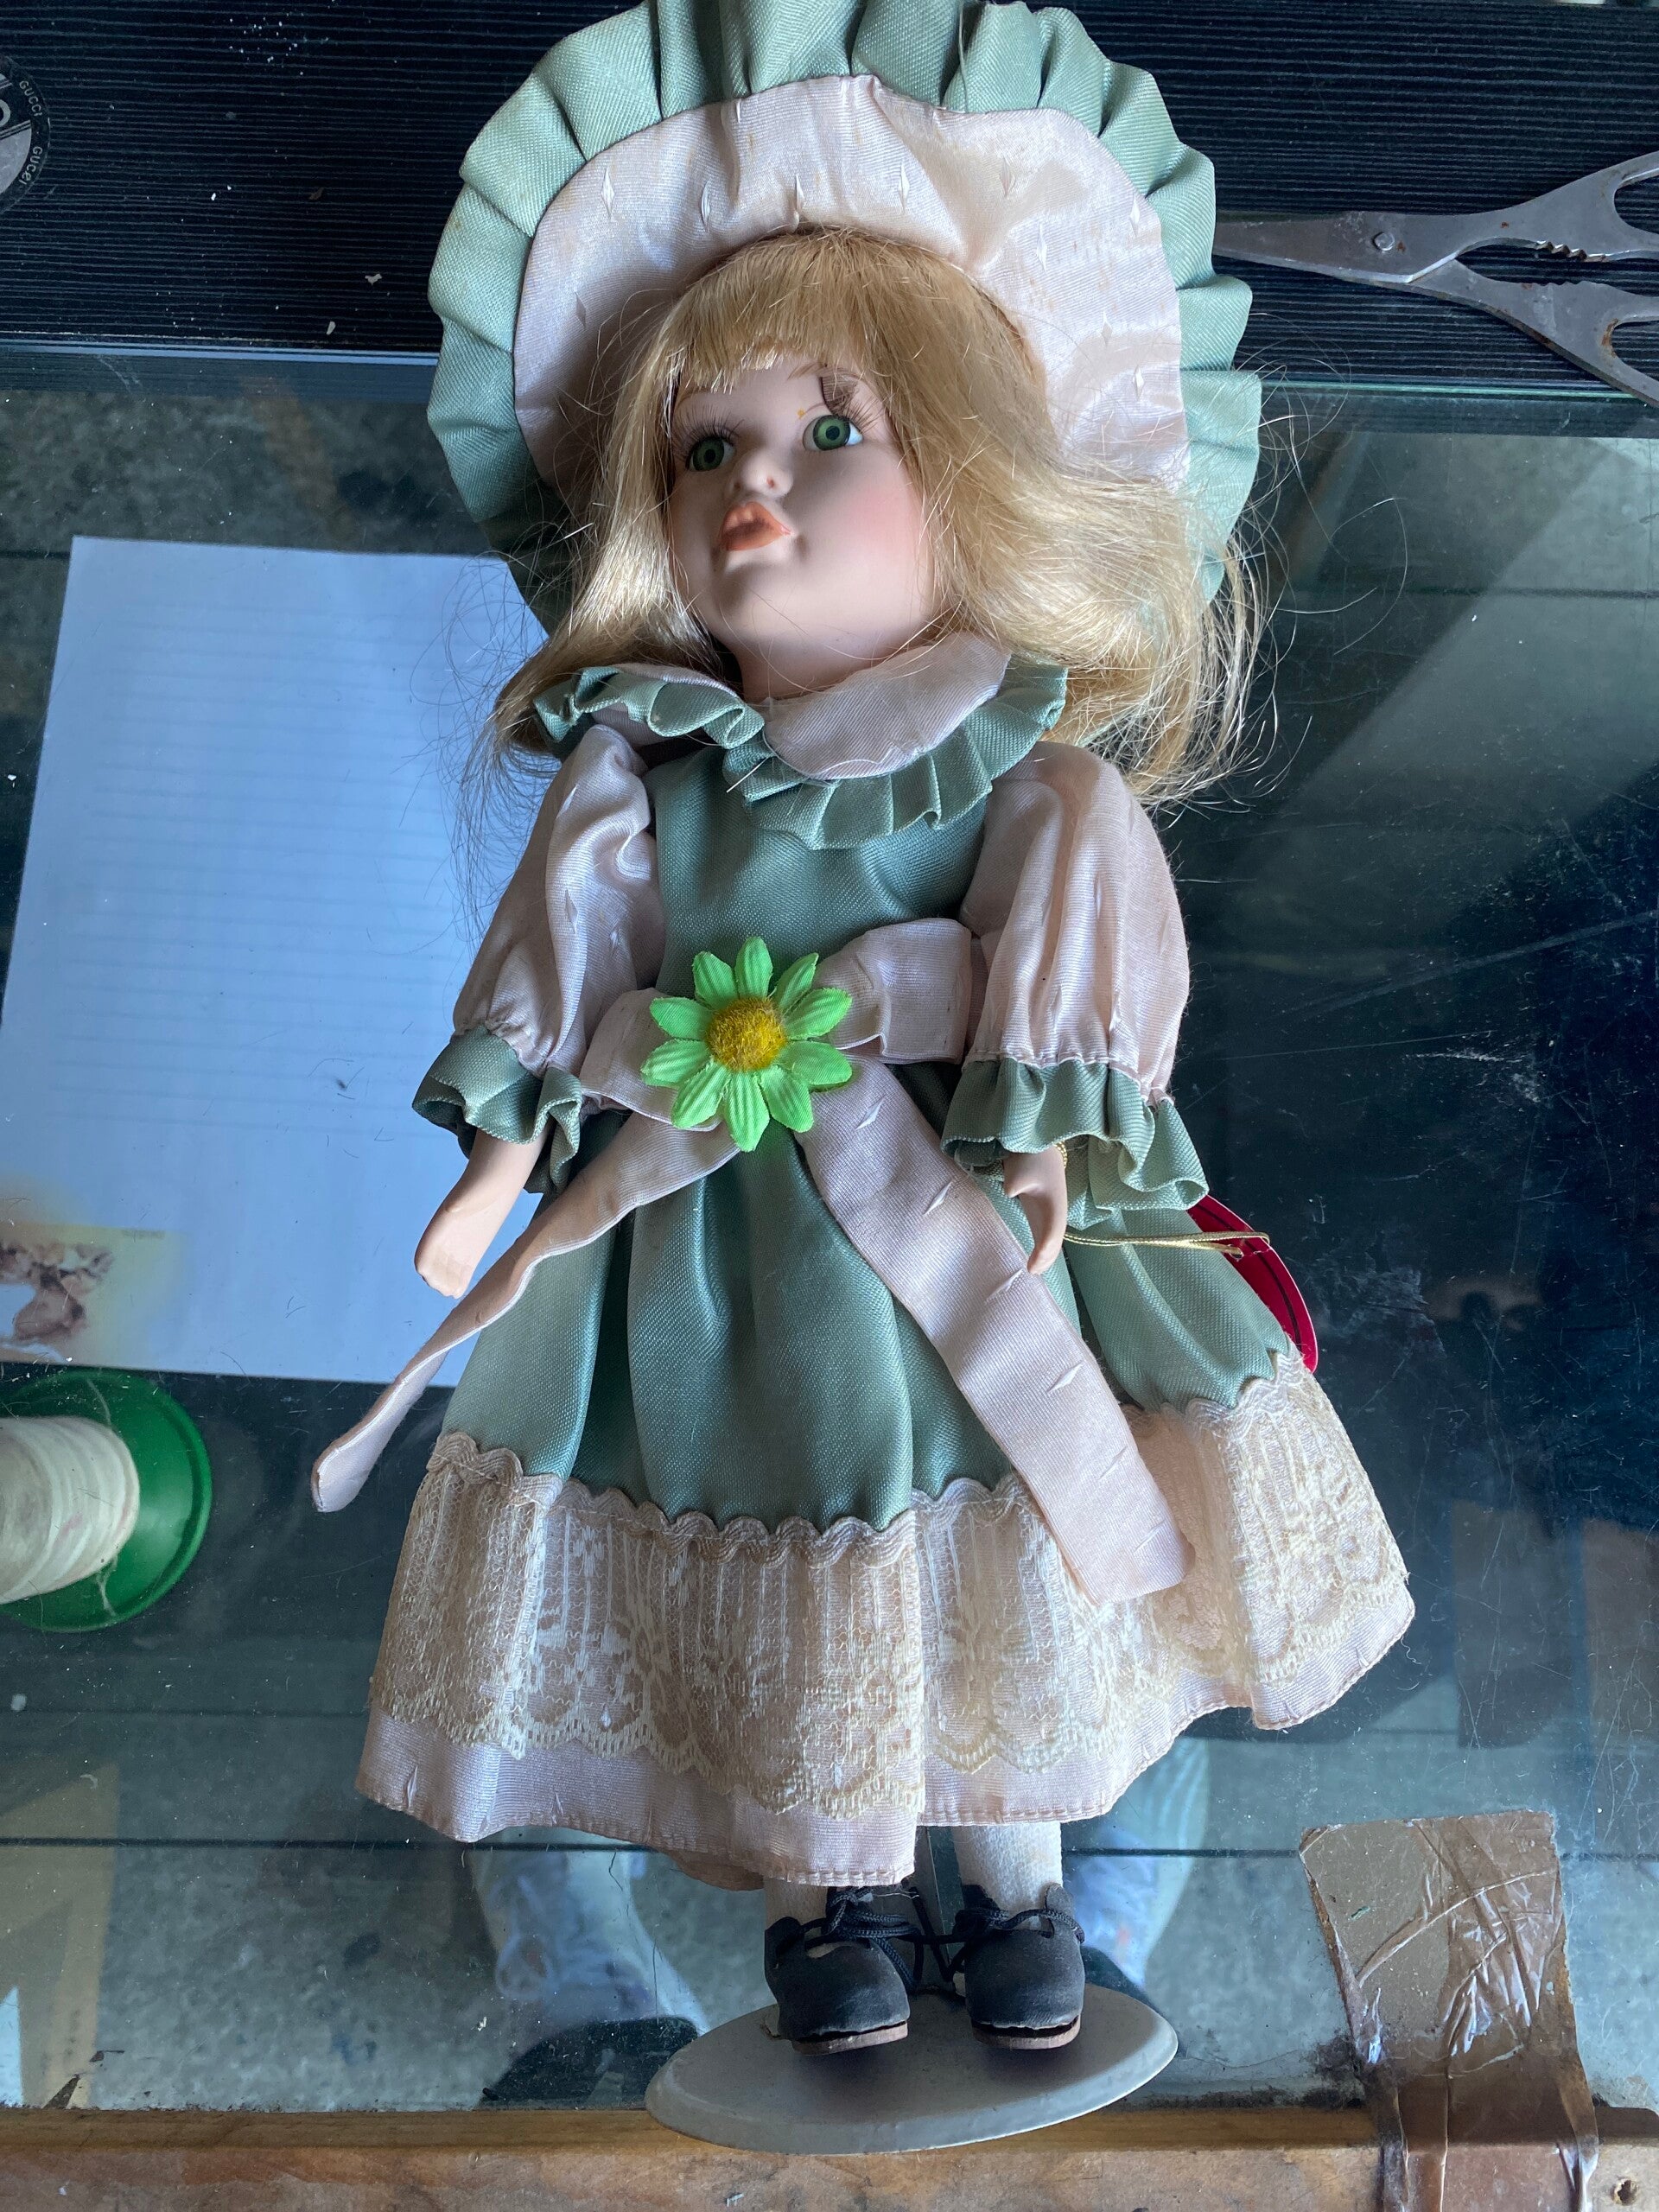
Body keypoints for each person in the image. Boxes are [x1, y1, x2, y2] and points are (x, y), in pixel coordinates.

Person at [315, 0, 1412, 2056]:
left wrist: (1043, 1131)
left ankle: (1017, 1880)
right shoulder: (639, 770)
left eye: (834, 434)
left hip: (975, 1197)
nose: (755, 486)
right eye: (705, 447)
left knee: (998, 1512)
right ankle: (834, 1891)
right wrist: (504, 1148)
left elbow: (1071, 953)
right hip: (720, 1257)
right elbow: (564, 964)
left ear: (976, 473)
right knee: (794, 1503)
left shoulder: (1027, 767)